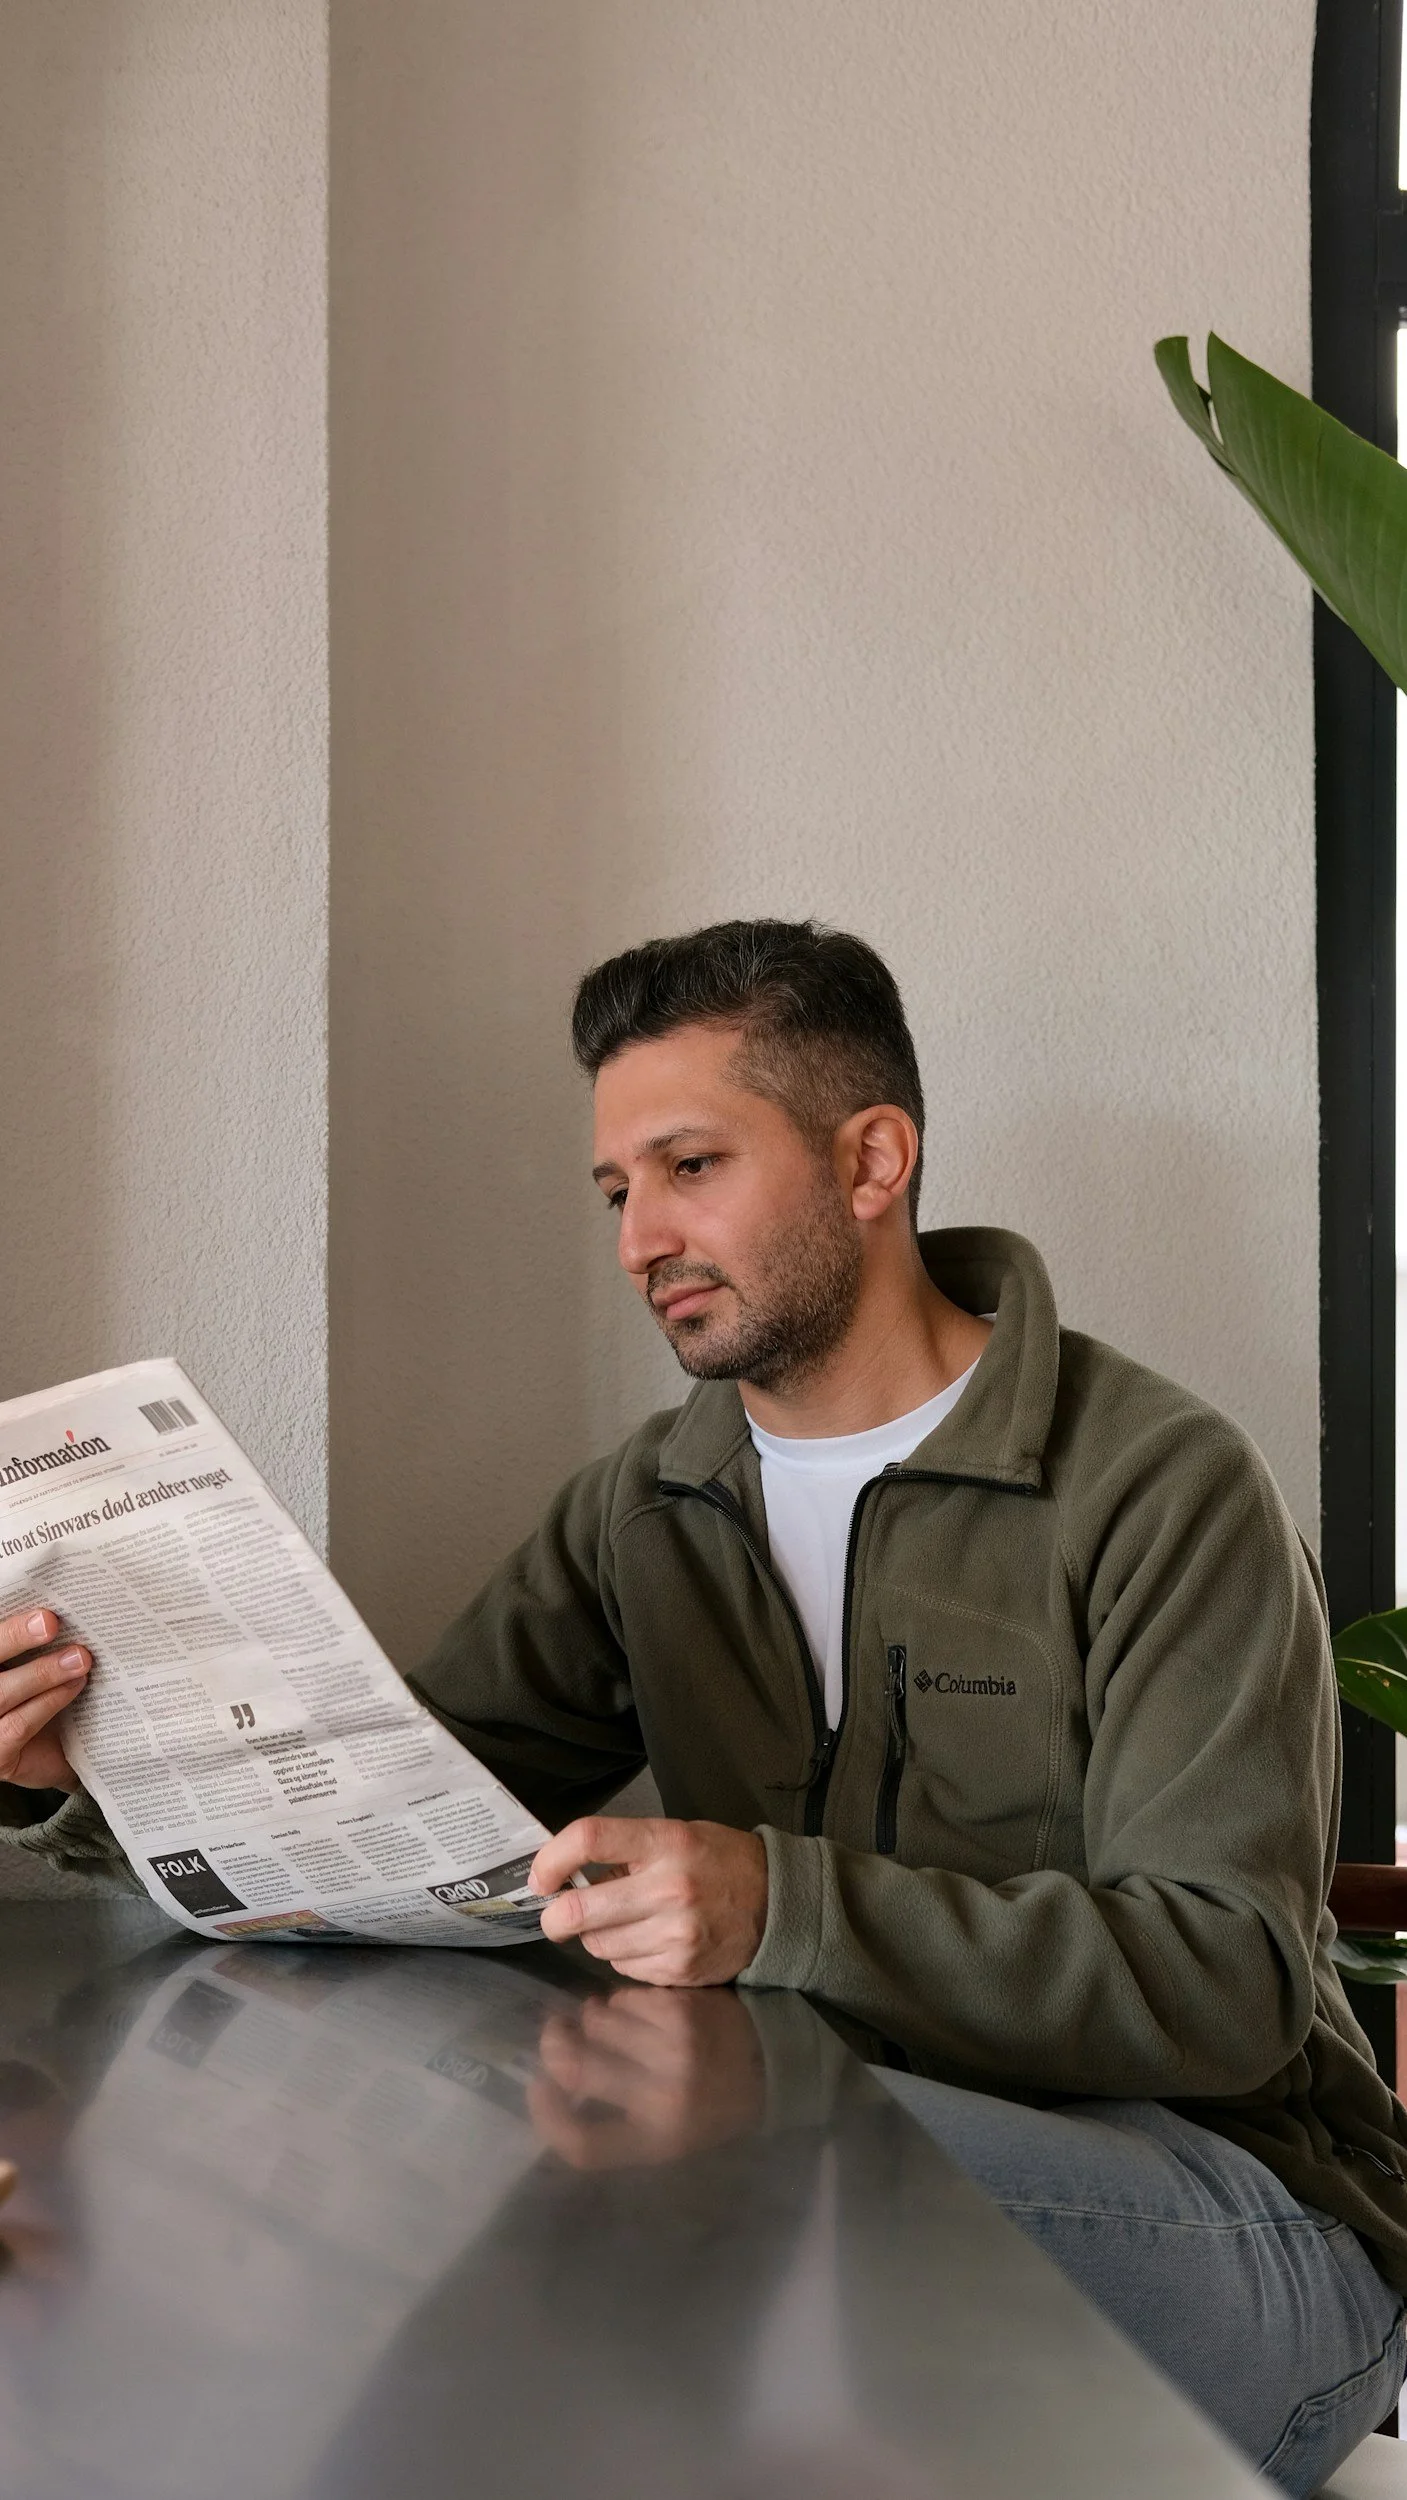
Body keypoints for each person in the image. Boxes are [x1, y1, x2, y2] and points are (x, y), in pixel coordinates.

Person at [2, 915, 1406, 2491]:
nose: (636, 1239)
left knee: (678, 2184)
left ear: (869, 1161)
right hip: (820, 2165)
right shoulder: (648, 1505)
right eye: (616, 1191)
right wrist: (110, 1755)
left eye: (688, 1167)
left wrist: (776, 1908)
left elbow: (1223, 1986)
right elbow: (396, 1807)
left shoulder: (1158, 1488)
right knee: (484, 2173)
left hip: (1237, 2218)